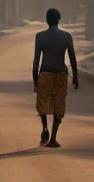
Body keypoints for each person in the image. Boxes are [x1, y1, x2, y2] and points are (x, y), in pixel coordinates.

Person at [32, 8, 79, 148]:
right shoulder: (67, 36)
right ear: (59, 20)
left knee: (43, 104)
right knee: (59, 106)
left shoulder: (40, 36)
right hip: (61, 74)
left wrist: (35, 80)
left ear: (47, 20)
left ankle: (45, 127)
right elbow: (72, 58)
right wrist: (76, 77)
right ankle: (53, 138)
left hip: (45, 73)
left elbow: (36, 61)